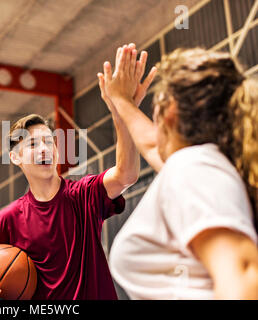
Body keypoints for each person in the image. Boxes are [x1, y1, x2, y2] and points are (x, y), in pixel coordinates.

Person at [0, 59, 156, 299]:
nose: (44, 149)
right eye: (33, 144)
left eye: (49, 142)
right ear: (15, 157)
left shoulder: (83, 194)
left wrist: (123, 112)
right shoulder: (7, 221)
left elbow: (126, 174)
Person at [97, 44, 258, 299]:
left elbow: (244, 274)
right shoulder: (203, 167)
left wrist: (120, 99)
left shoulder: (194, 166)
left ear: (169, 111)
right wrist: (121, 101)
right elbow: (152, 145)